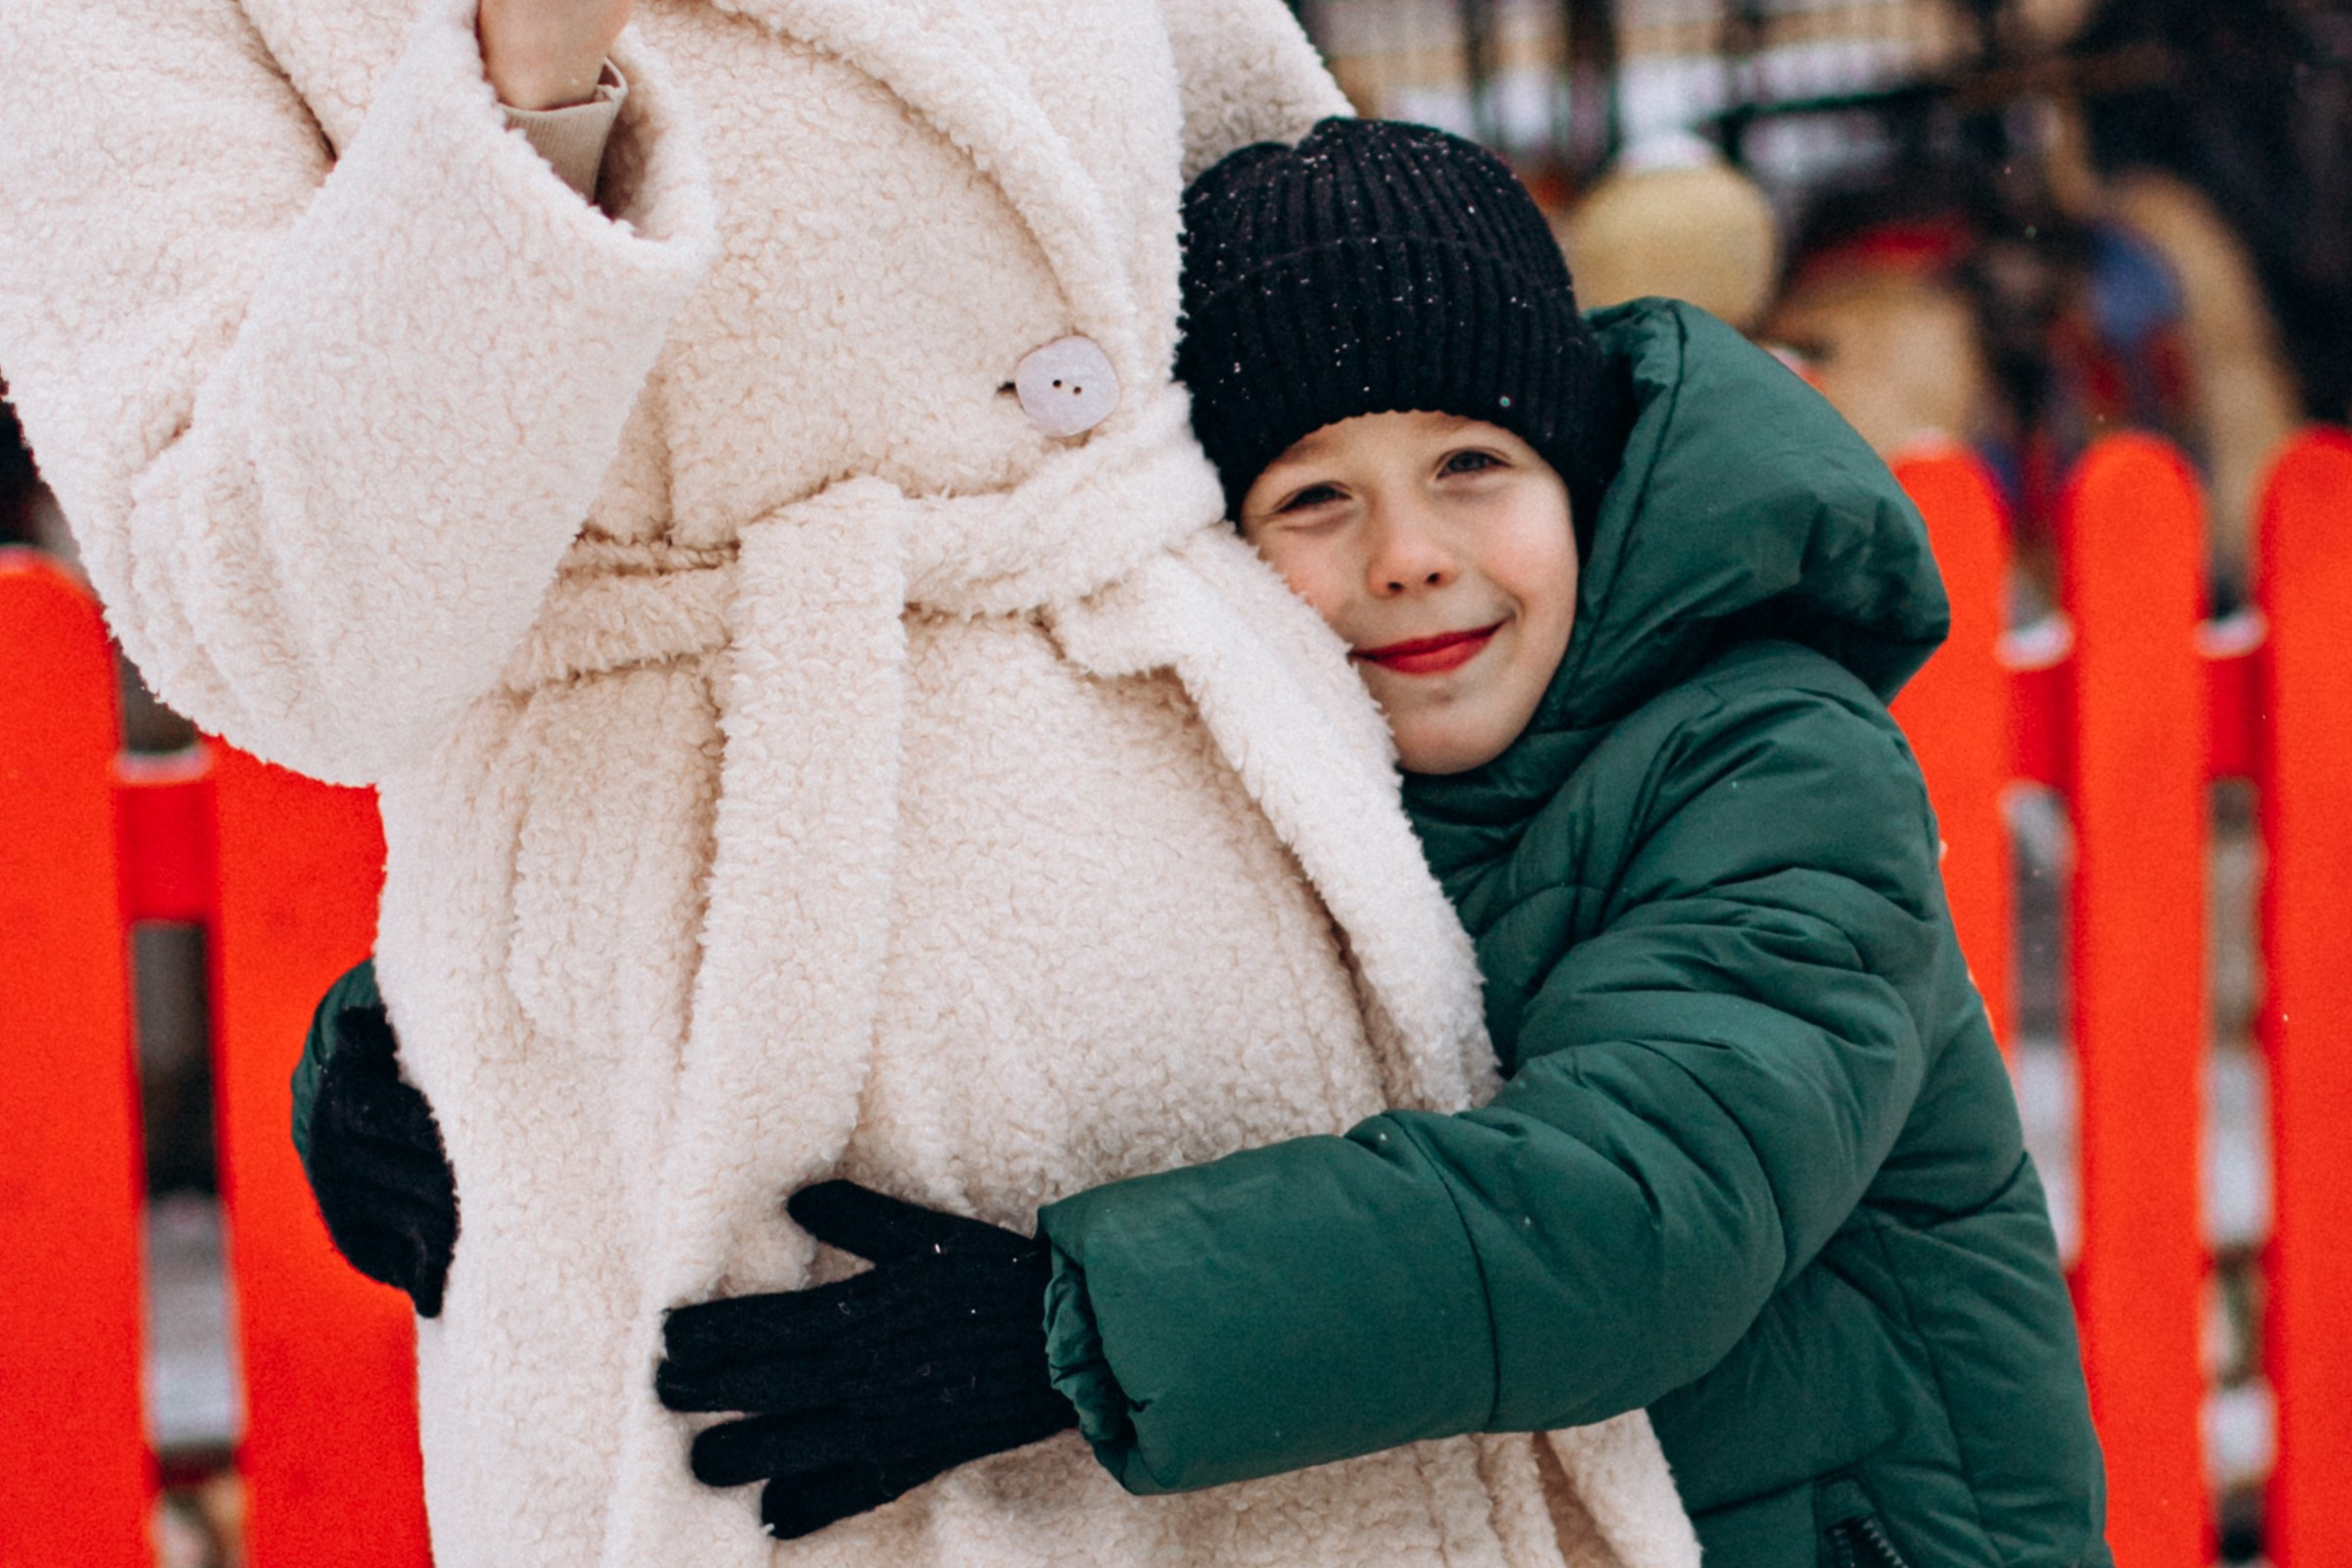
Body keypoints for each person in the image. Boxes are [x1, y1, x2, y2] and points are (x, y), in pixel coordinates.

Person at [0, 4, 1691, 1567]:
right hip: (722, 1136)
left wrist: (1750, 634)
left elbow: (1369, 292)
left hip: (1281, 1121)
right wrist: (528, 92)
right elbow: (289, 635)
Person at [298, 117, 2112, 1567]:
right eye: (1315, 497)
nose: (1408, 553)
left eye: (1471, 464)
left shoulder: (1766, 757)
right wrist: (434, 1057)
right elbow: (874, 879)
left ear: (1577, 469)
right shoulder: (1258, 751)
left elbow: (1654, 1204)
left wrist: (1079, 1329)